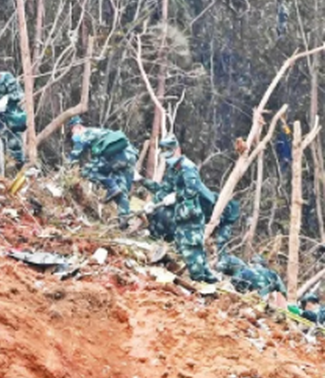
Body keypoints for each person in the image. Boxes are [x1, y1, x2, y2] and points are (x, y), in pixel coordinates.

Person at [150, 135, 219, 283]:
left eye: (170, 152)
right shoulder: (173, 169)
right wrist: (153, 203)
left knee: (191, 252)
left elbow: (192, 191)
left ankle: (201, 286)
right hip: (180, 217)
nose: (168, 156)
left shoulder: (187, 167)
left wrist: (177, 195)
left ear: (178, 150)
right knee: (189, 252)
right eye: (165, 152)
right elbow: (164, 190)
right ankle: (211, 282)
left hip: (191, 217)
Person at [67, 117, 138, 230]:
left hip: (117, 156)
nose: (73, 134)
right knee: (121, 188)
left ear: (78, 127)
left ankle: (111, 186)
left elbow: (77, 151)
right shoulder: (101, 132)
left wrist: (66, 165)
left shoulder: (87, 132)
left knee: (88, 171)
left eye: (73, 131)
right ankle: (124, 220)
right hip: (130, 156)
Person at [216, 253, 287, 297]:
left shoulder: (245, 271)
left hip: (248, 298)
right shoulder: (273, 274)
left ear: (251, 263)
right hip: (264, 299)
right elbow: (284, 292)